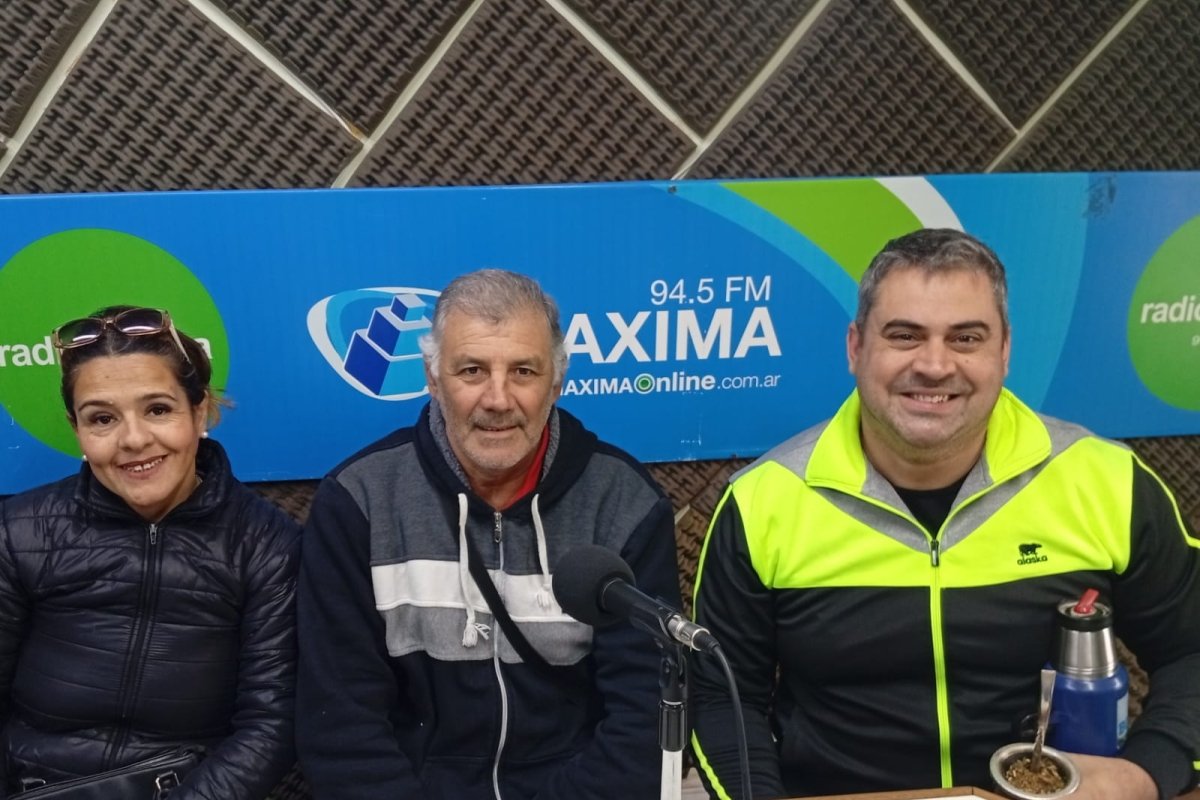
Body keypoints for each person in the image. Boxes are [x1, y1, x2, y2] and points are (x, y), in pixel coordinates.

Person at [690, 229, 1200, 800]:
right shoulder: (763, 501)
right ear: (856, 348)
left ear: (1004, 352)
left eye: (966, 338)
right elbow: (720, 700)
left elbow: (1191, 650)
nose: (934, 365)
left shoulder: (1107, 481)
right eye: (905, 335)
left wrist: (1146, 773)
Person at [296, 269, 680, 799]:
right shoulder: (359, 501)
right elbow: (341, 727)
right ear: (433, 378)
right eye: (472, 370)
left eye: (523, 371)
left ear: (556, 381)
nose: (498, 399)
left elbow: (646, 720)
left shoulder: (623, 502)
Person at [0, 306, 300, 798]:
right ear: (77, 429)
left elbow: (271, 725)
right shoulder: (19, 530)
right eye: (102, 419)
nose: (134, 440)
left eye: (158, 410)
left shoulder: (267, 545)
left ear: (198, 412)